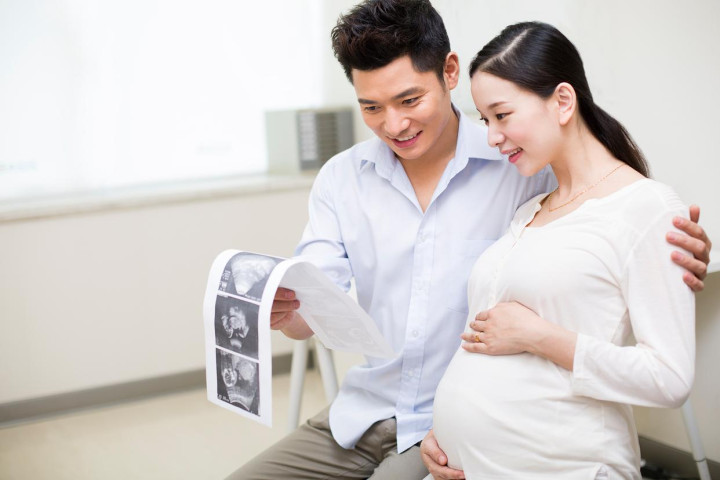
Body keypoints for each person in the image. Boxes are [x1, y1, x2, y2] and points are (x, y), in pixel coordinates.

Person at [227, 2, 712, 479]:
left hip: (453, 433)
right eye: (371, 107)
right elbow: (315, 304)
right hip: (365, 411)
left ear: (449, 72)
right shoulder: (344, 179)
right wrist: (288, 312)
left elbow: (611, 212)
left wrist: (672, 249)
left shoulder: (521, 165)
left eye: (409, 100)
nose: (393, 125)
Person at [423, 21, 701, 479]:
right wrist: (445, 430)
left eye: (502, 115)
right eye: (485, 120)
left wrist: (538, 336)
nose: (492, 136)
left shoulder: (646, 208)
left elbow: (668, 378)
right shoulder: (530, 208)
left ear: (563, 101)